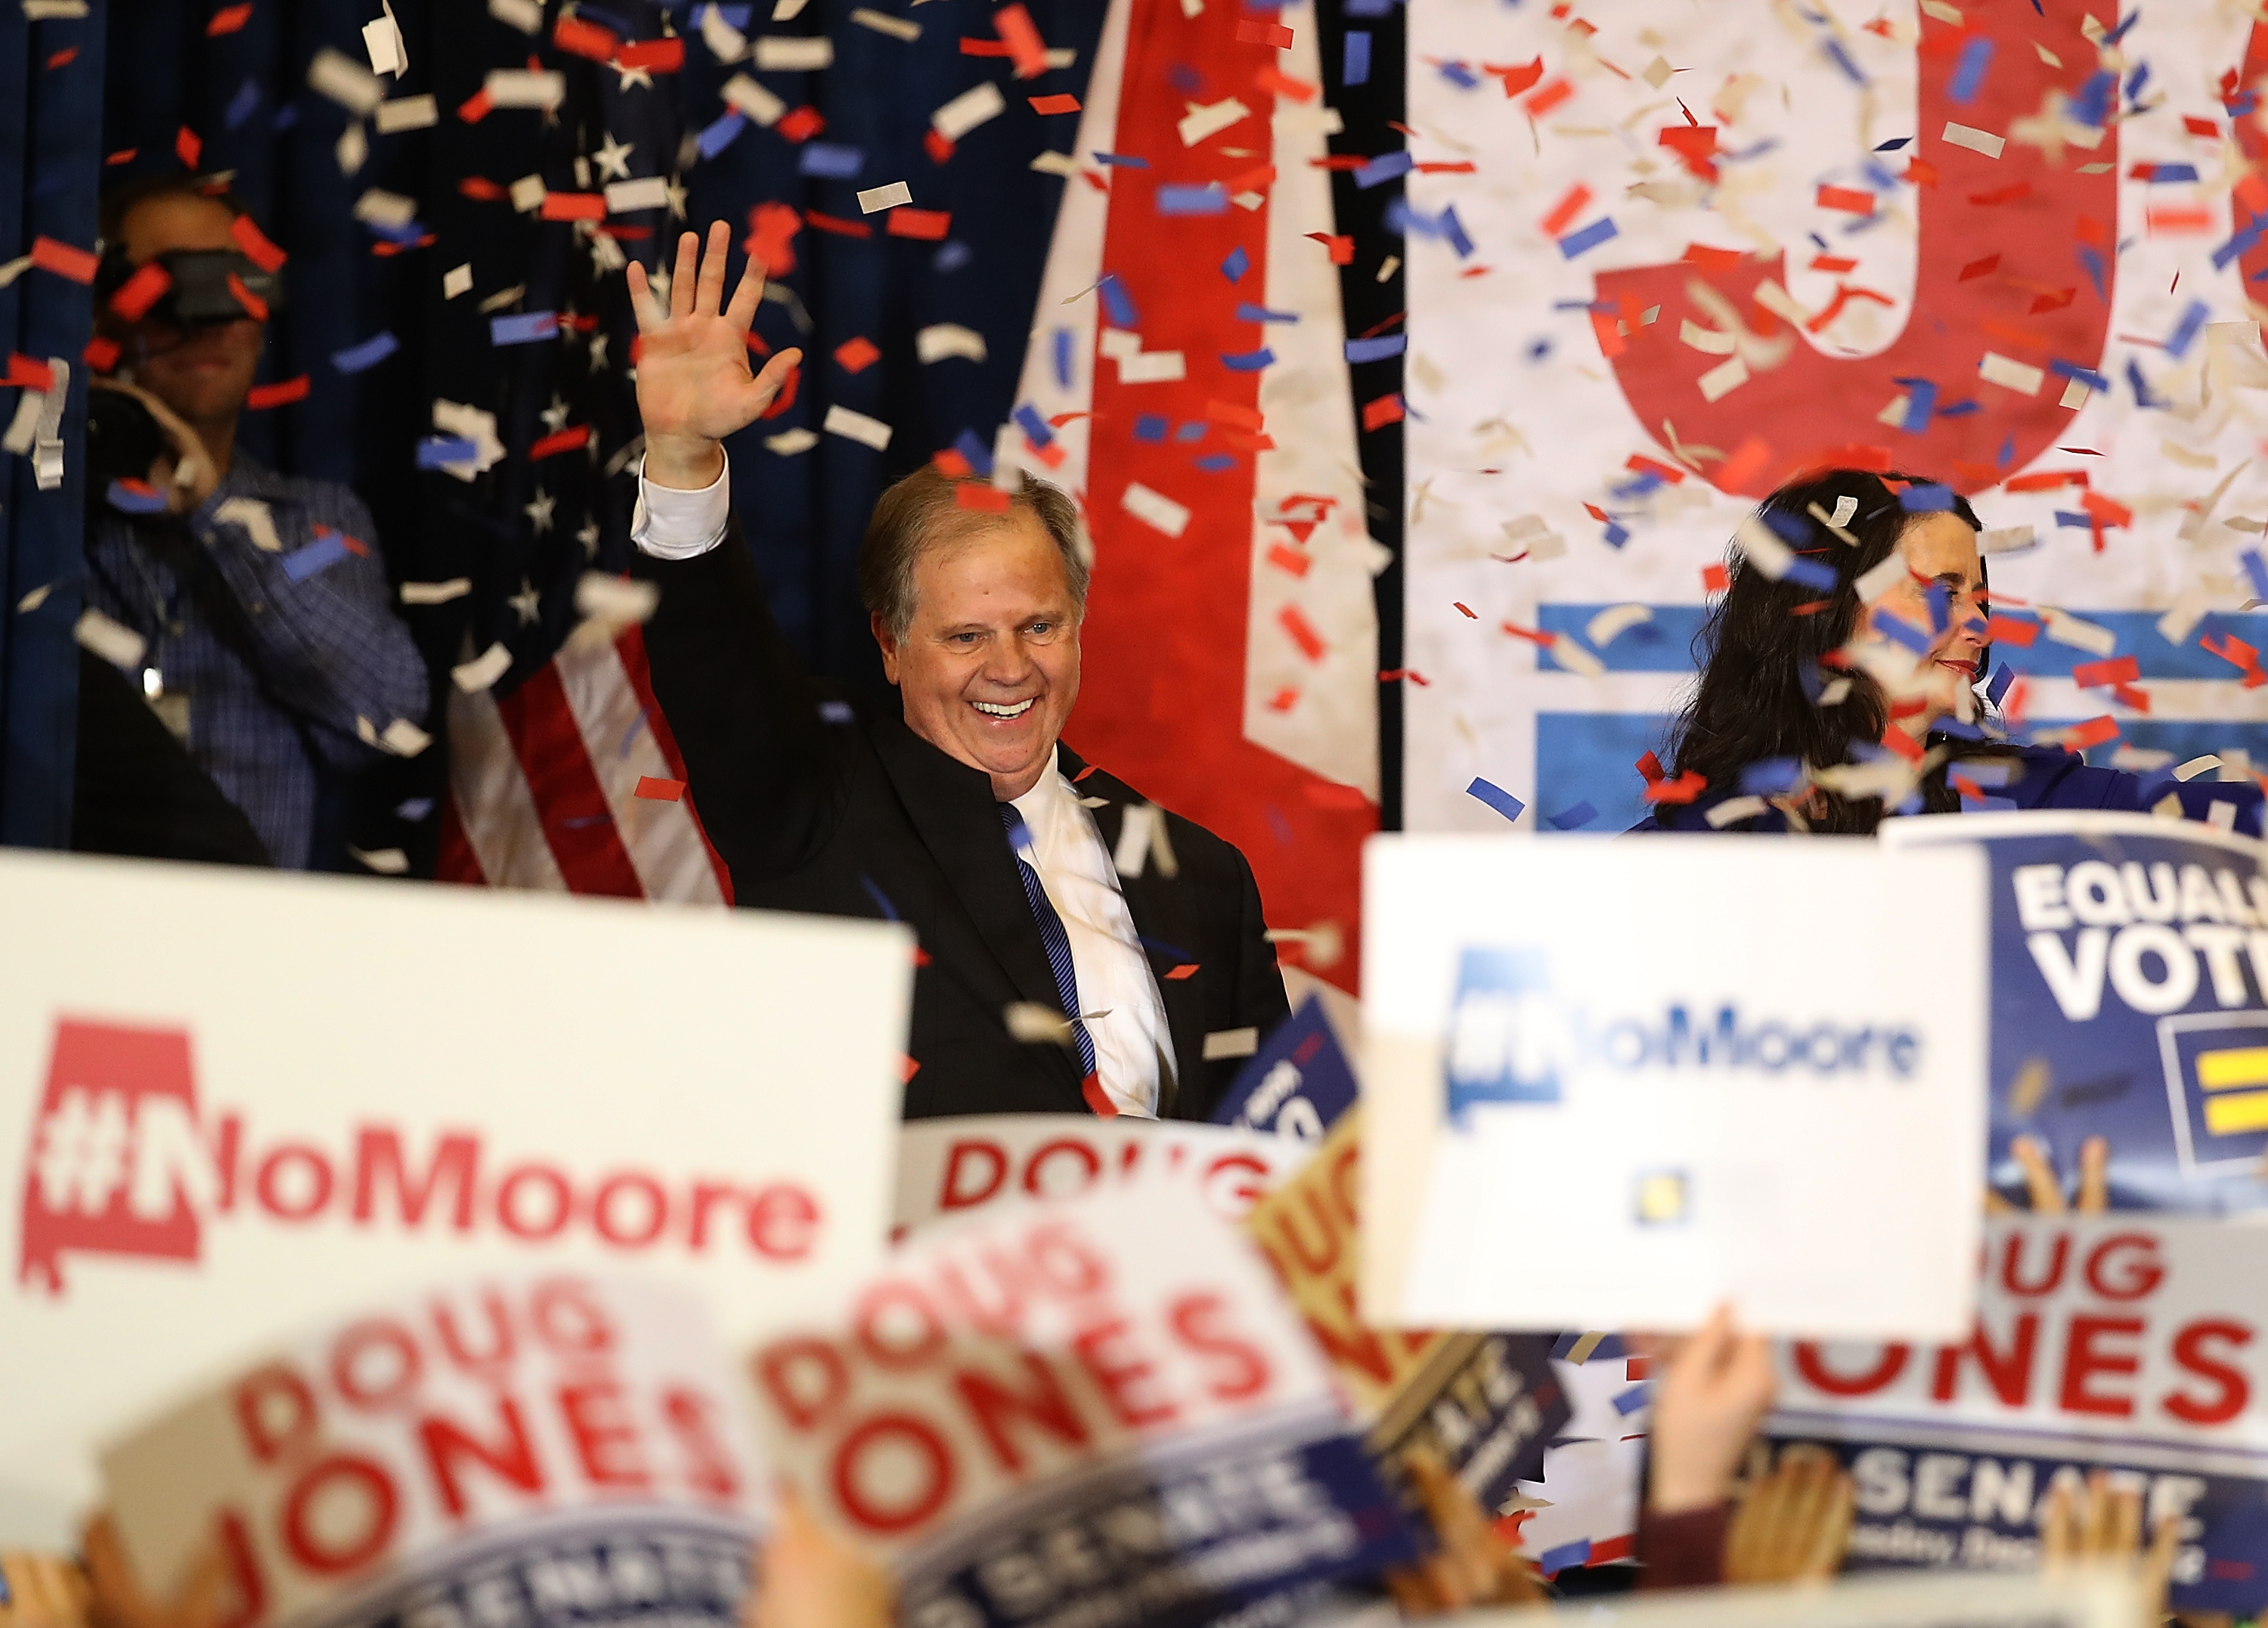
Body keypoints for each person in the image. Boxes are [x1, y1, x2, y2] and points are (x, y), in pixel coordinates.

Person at [625, 223, 1290, 1121]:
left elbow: (1272, 1152)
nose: (1011, 667)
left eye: (1039, 625)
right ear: (891, 645)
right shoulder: (816, 797)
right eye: (967, 636)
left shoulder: (1207, 875)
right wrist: (681, 461)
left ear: (1080, 624)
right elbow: (716, 662)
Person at [82, 175, 428, 870]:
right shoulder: (38, 525)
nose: (207, 318)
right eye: (168, 286)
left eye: (235, 283)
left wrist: (214, 509)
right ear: (102, 310)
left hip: (249, 952)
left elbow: (389, 718)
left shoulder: (316, 520)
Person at [1635, 468, 2265, 836]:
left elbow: (2239, 827)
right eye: (1941, 591)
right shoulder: (1688, 848)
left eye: (1978, 597)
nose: (1980, 626)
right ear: (1820, 606)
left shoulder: (2023, 803)